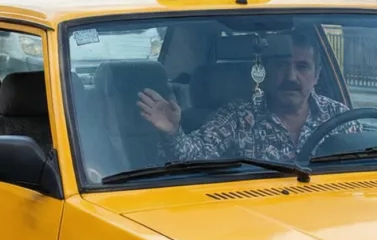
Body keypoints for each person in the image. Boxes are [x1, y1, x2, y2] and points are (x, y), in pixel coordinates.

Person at [138, 27, 355, 164]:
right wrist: (172, 133)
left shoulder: (339, 118)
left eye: (302, 67)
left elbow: (365, 168)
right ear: (265, 71)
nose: (291, 76)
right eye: (281, 65)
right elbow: (193, 157)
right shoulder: (238, 117)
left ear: (316, 75)